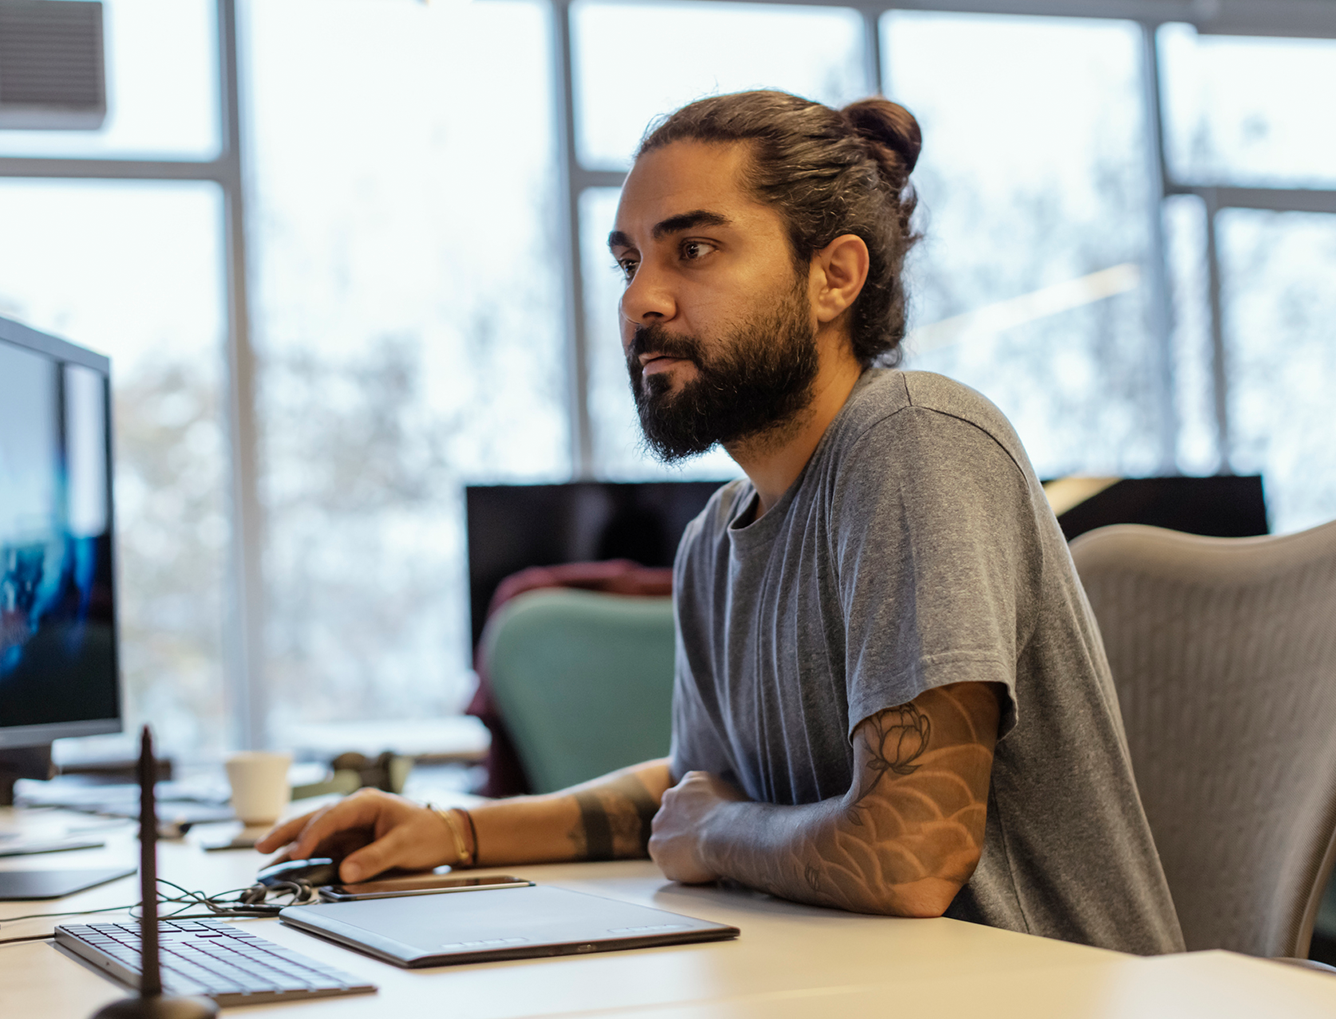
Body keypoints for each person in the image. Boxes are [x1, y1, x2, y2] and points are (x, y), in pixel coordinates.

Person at [258, 90, 1185, 955]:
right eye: (628, 260)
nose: (638, 300)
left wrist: (717, 830)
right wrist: (453, 829)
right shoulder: (716, 539)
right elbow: (690, 798)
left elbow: (905, 855)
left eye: (691, 249)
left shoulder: (913, 441)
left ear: (835, 276)